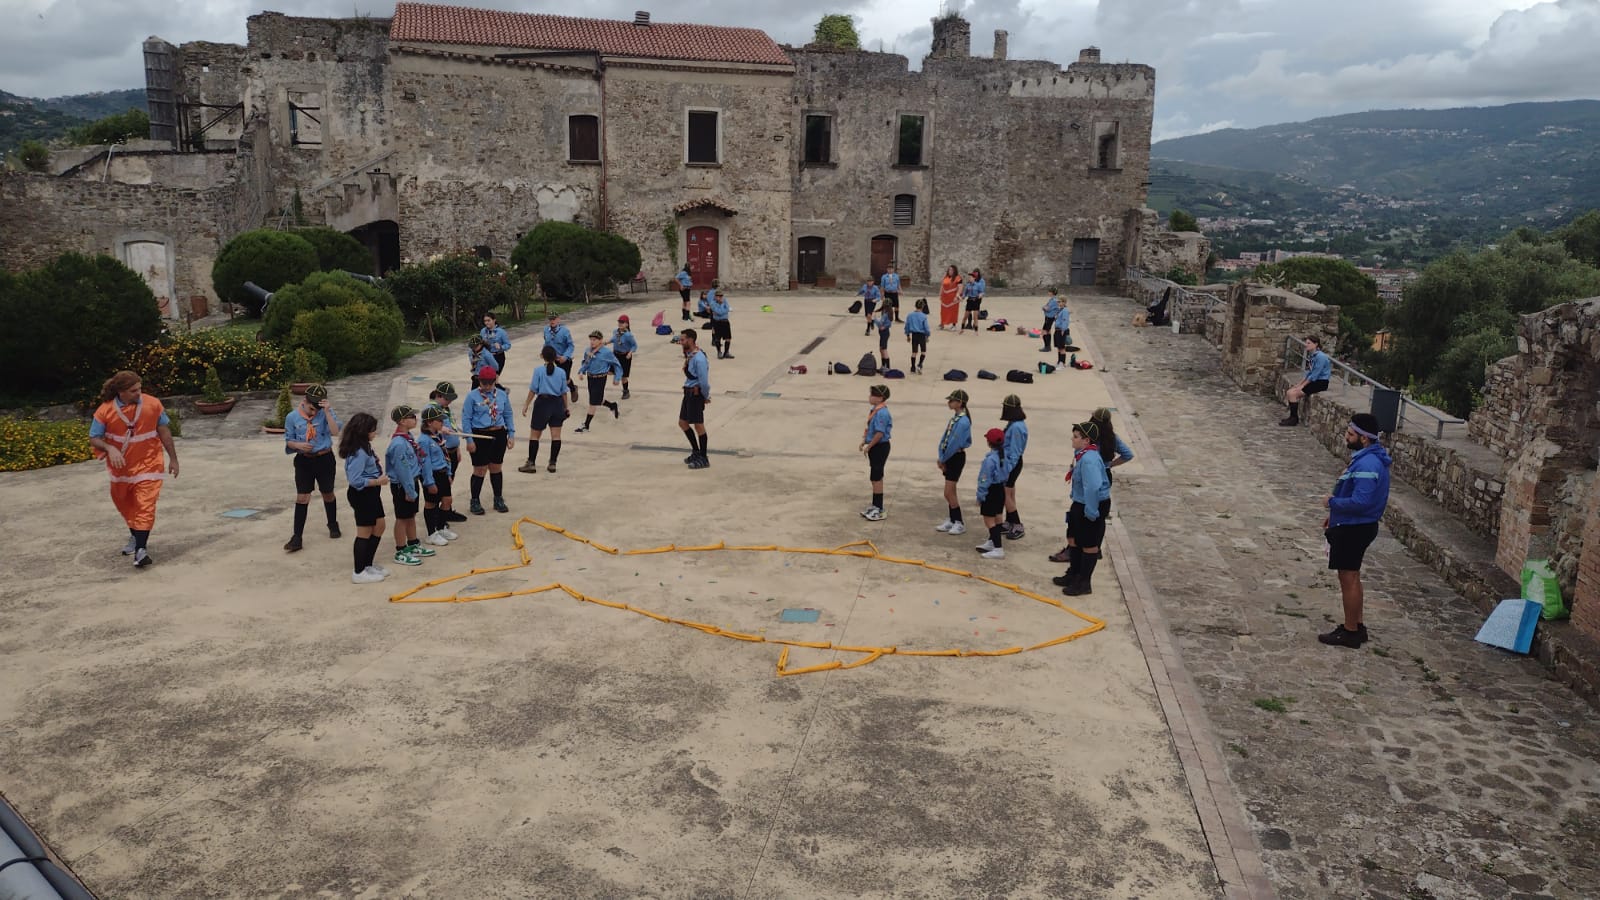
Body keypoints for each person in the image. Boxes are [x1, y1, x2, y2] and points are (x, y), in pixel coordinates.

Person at [88, 370, 178, 569]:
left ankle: (141, 550)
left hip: (149, 463)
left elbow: (164, 431)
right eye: (133, 390)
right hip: (121, 468)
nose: (139, 393)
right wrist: (110, 448)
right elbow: (94, 437)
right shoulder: (104, 411)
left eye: (139, 389)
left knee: (145, 504)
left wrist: (173, 459)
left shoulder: (153, 404)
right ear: (121, 392)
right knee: (125, 503)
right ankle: (135, 536)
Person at [1319, 413, 1392, 648]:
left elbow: (1361, 501)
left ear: (1364, 439)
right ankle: (1356, 625)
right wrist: (1335, 515)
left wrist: (1332, 503)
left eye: (1350, 434)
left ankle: (1350, 632)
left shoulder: (1367, 464)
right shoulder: (1367, 459)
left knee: (1348, 578)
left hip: (1354, 529)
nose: (1345, 437)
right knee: (1353, 576)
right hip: (1352, 525)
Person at [1052, 407, 1133, 562]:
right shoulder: (1112, 437)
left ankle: (1077, 549)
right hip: (1105, 474)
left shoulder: (1089, 440)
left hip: (1089, 476)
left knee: (1082, 514)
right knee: (1100, 519)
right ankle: (1096, 547)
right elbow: (1128, 454)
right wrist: (1110, 465)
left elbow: (1091, 486)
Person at [282, 383, 343, 553]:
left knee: (328, 493)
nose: (314, 411)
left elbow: (335, 431)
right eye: (312, 407)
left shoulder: (325, 414)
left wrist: (327, 412)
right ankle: (297, 537)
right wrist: (298, 445)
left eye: (318, 407)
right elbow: (288, 440)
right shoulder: (292, 417)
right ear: (304, 401)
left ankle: (333, 524)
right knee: (302, 497)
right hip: (304, 460)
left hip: (324, 458)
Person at [1056, 420, 1110, 596]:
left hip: (1091, 503)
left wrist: (1092, 511)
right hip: (1080, 501)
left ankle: (1084, 582)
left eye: (1076, 436)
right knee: (1074, 538)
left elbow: (1093, 487)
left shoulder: (1089, 460)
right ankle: (1074, 574)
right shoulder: (1081, 454)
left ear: (1086, 440)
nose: (1072, 438)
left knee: (1089, 543)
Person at [339, 412, 390, 584]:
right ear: (363, 431)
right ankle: (358, 571)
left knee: (380, 525)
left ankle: (368, 564)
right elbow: (355, 480)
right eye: (373, 430)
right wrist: (377, 481)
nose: (375, 433)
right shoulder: (358, 452)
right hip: (362, 495)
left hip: (371, 493)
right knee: (364, 532)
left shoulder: (365, 446)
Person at [384, 405, 434, 567]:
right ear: (402, 421)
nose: (415, 419)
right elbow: (402, 469)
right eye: (411, 416)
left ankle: (413, 543)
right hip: (403, 485)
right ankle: (400, 549)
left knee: (411, 515)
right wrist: (408, 489)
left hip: (412, 480)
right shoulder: (399, 444)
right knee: (402, 517)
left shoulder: (408, 437)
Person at [461, 365, 515, 513]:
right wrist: (469, 440)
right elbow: (466, 419)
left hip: (498, 434)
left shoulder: (502, 395)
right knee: (480, 469)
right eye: (483, 383)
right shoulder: (472, 396)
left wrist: (511, 434)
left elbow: (508, 414)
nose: (487, 386)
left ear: (495, 380)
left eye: (490, 383)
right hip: (480, 434)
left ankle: (498, 498)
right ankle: (475, 500)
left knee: (496, 467)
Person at [519, 345, 571, 474]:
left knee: (535, 435)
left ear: (542, 356)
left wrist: (526, 404)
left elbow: (533, 389)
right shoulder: (561, 372)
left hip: (543, 403)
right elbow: (564, 392)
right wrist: (566, 407)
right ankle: (552, 463)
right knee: (556, 436)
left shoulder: (538, 371)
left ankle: (531, 463)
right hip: (557, 404)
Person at [419, 405, 459, 546]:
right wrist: (429, 482)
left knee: (447, 500)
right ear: (430, 422)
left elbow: (444, 456)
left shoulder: (438, 435)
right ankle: (431, 533)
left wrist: (448, 473)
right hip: (432, 474)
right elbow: (425, 462)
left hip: (442, 472)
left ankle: (441, 528)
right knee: (431, 503)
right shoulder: (424, 440)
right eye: (439, 420)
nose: (442, 422)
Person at [429, 381, 468, 523]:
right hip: (441, 454)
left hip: (451, 451)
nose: (449, 402)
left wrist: (457, 448)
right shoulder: (431, 409)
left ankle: (446, 509)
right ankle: (438, 514)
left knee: (448, 482)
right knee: (442, 485)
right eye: (447, 399)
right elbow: (427, 428)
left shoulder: (445, 408)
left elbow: (452, 426)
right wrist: (440, 429)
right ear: (439, 395)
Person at [935, 389, 971, 535]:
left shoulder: (963, 421)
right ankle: (952, 519)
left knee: (948, 492)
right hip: (949, 456)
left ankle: (959, 522)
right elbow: (946, 438)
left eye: (952, 400)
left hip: (955, 457)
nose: (949, 402)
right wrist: (941, 455)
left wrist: (943, 458)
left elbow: (954, 443)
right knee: (951, 492)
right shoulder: (955, 418)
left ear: (959, 403)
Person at [575, 330, 623, 433]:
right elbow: (586, 362)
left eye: (594, 340)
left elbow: (617, 364)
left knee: (593, 402)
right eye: (591, 340)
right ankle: (612, 405)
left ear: (600, 341)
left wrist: (617, 378)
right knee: (597, 399)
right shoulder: (588, 350)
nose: (592, 342)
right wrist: (581, 371)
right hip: (590, 378)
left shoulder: (606, 352)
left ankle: (586, 425)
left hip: (600, 378)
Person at [679, 328, 713, 469]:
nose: (681, 342)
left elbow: (704, 381)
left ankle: (704, 457)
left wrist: (705, 396)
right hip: (688, 393)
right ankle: (696, 451)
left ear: (691, 340)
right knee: (683, 422)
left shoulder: (699, 358)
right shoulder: (690, 355)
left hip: (696, 394)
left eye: (683, 339)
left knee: (699, 425)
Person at [859, 383, 892, 520]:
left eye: (873, 395)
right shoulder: (875, 410)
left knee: (876, 478)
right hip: (875, 446)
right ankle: (875, 505)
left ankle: (879, 509)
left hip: (880, 446)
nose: (870, 397)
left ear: (880, 398)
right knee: (874, 477)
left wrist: (869, 446)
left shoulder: (882, 413)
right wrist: (864, 440)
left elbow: (879, 433)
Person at [1282, 335, 1331, 426]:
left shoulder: (1321, 357)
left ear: (1316, 344)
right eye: (1306, 343)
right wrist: (1300, 384)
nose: (1306, 345)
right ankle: (1292, 417)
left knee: (1293, 394)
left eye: (1309, 343)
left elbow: (1315, 375)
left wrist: (1303, 386)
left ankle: (1294, 419)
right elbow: (1309, 373)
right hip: (1314, 381)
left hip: (1320, 382)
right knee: (1289, 392)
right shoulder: (1313, 355)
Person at [973, 428, 1008, 559]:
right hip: (1000, 489)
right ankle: (992, 542)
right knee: (998, 517)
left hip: (991, 491)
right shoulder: (1003, 457)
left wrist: (980, 496)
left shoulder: (990, 460)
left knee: (989, 520)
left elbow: (984, 479)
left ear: (989, 442)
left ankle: (998, 549)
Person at [1000, 394, 1029, 539]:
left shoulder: (1017, 427)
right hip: (1012, 462)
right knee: (1010, 492)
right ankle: (1009, 521)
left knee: (1005, 494)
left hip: (1012, 463)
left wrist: (1006, 469)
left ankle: (1017, 524)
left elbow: (1015, 451)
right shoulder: (1015, 423)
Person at [543, 312, 579, 402]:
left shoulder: (564, 331)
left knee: (565, 380)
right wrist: (544, 352)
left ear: (558, 319)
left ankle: (573, 389)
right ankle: (558, 398)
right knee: (554, 377)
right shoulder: (546, 330)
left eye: (554, 319)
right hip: (552, 359)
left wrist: (565, 356)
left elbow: (571, 346)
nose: (552, 321)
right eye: (550, 319)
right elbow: (547, 342)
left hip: (564, 360)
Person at [609, 314, 638, 400]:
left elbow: (634, 346)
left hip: (625, 356)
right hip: (615, 354)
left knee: (624, 377)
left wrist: (630, 353)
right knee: (609, 371)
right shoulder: (615, 331)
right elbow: (614, 339)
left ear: (627, 324)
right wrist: (607, 342)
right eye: (619, 322)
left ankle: (626, 391)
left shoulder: (629, 335)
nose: (620, 324)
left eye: (622, 322)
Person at [904, 298, 931, 374]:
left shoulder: (910, 315)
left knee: (914, 352)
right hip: (922, 335)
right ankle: (920, 364)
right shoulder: (924, 316)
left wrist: (908, 335)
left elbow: (907, 326)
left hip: (914, 335)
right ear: (922, 307)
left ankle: (912, 367)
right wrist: (927, 336)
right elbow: (926, 328)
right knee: (923, 351)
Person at [709, 288, 734, 359]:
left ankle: (726, 352)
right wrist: (724, 310)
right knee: (717, 338)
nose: (720, 297)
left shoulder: (724, 300)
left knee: (728, 338)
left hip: (725, 321)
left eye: (721, 296)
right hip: (717, 322)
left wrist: (723, 310)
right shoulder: (712, 303)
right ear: (715, 296)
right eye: (718, 296)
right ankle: (719, 352)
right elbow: (719, 312)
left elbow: (728, 308)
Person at [938, 265, 962, 331]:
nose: (950, 271)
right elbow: (942, 286)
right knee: (943, 312)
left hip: (953, 298)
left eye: (951, 270)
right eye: (949, 270)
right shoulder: (945, 278)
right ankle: (942, 324)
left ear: (954, 271)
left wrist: (957, 296)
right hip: (945, 298)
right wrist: (940, 294)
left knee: (953, 312)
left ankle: (953, 325)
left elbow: (960, 287)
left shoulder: (958, 278)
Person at [1053, 293, 1074, 368]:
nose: (1059, 303)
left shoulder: (1065, 310)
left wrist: (1063, 329)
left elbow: (1065, 321)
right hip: (1057, 330)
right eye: (1058, 302)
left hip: (1061, 330)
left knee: (1062, 347)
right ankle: (1059, 361)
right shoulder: (1060, 310)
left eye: (1060, 301)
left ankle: (1062, 363)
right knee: (1058, 347)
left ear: (1064, 302)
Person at [873, 304, 894, 373]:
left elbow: (880, 324)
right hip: (885, 332)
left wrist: (875, 318)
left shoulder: (885, 314)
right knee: (881, 349)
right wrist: (885, 326)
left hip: (884, 333)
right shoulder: (889, 312)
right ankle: (883, 366)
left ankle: (887, 367)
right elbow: (889, 324)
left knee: (884, 350)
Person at [1041, 288, 1062, 353]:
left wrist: (1044, 308)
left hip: (1049, 317)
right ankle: (1048, 346)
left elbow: (1047, 308)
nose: (1048, 293)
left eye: (1049, 292)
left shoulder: (1054, 301)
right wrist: (1045, 307)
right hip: (1049, 317)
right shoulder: (1053, 299)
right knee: (1048, 331)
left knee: (1044, 331)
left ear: (1052, 293)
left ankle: (1047, 346)